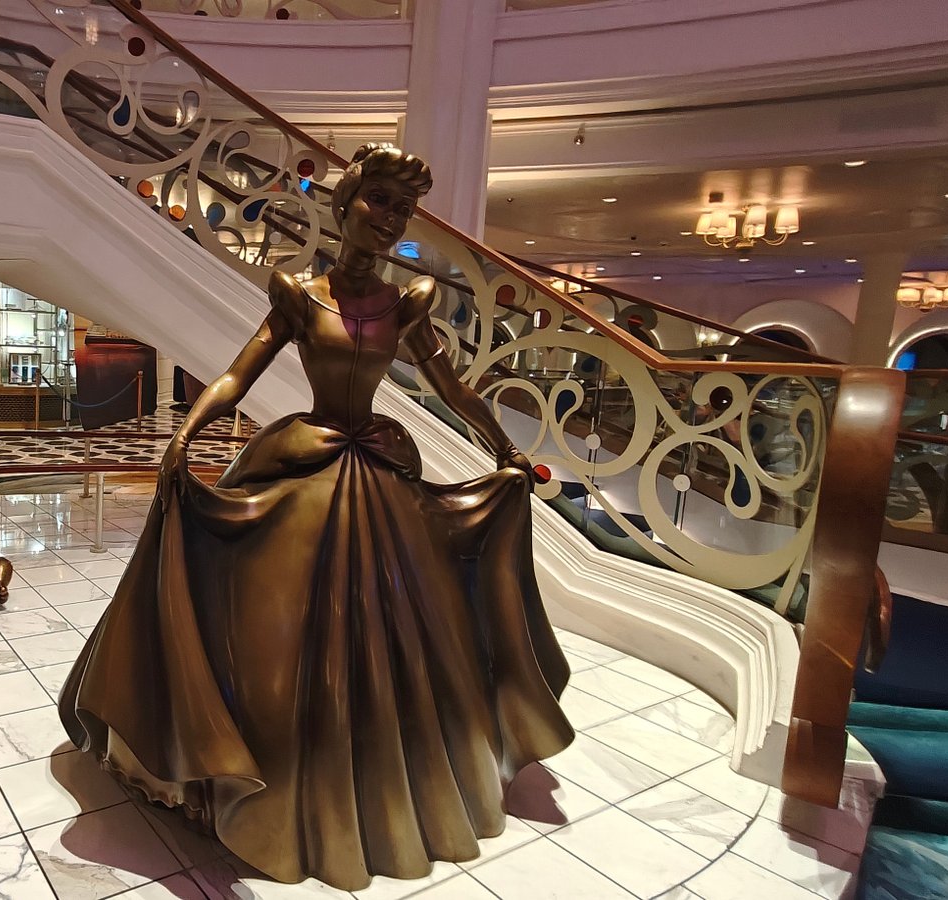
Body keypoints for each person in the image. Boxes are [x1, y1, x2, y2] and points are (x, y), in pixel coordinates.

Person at [58, 144, 574, 890]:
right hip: (309, 468)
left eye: (402, 208)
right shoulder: (302, 295)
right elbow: (240, 373)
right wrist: (185, 433)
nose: (391, 218)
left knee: (412, 630)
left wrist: (503, 449)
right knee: (271, 631)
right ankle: (242, 778)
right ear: (346, 205)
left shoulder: (405, 307)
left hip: (378, 473)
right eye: (380, 201)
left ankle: (404, 791)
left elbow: (450, 390)